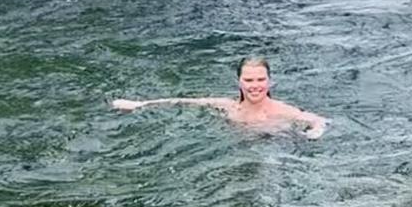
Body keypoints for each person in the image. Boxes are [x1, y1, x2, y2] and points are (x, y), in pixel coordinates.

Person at [112, 55, 327, 138]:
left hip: (274, 149)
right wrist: (140, 105)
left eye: (260, 80)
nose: (255, 86)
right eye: (249, 80)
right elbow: (183, 101)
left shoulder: (282, 111)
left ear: (269, 82)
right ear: (239, 83)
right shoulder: (228, 106)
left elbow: (319, 120)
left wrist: (315, 132)